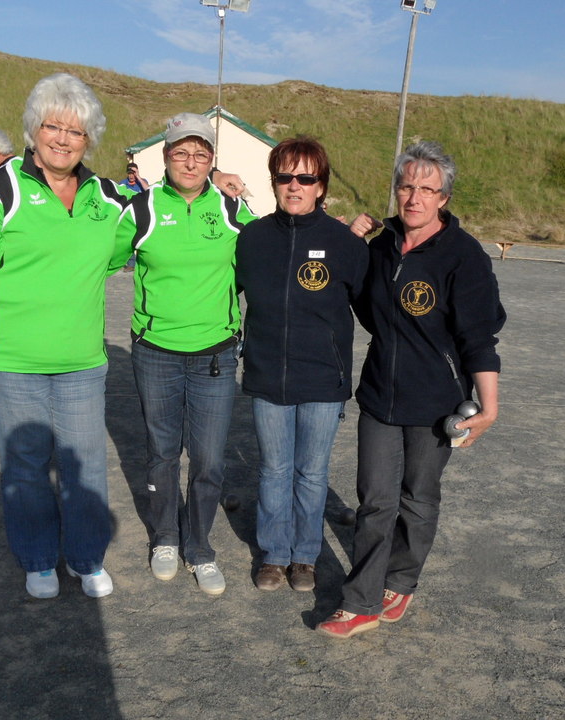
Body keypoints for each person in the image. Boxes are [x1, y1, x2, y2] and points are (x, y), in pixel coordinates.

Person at [0, 73, 135, 601]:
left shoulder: (107, 196)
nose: (63, 139)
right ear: (33, 130)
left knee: (85, 465)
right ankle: (39, 560)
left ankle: (87, 558)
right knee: (25, 467)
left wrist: (220, 183)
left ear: (89, 139)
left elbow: (125, 246)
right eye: (53, 126)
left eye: (76, 131)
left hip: (82, 362)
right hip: (9, 363)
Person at [316, 140, 505, 639]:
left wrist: (488, 408)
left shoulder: (464, 256)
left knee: (418, 497)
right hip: (381, 394)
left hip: (438, 401)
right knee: (376, 500)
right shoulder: (380, 247)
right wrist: (349, 244)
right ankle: (360, 602)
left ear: (444, 198)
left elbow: (479, 337)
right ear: (396, 191)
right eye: (406, 186)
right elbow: (356, 302)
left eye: (427, 189)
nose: (414, 197)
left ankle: (400, 580)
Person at [117, 112, 256, 595]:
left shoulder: (232, 209)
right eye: (181, 152)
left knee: (209, 458)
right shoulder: (141, 209)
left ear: (212, 159)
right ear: (165, 156)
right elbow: (97, 258)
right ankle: (165, 538)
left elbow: (271, 251)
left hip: (215, 354)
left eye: (201, 154)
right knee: (161, 452)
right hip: (156, 352)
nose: (191, 162)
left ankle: (199, 547)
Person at [235, 137, 368, 593]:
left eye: (306, 177)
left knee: (311, 473)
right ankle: (274, 555)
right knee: (274, 470)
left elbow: (373, 306)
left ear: (321, 186)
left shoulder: (344, 243)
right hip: (267, 374)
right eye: (285, 177)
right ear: (274, 182)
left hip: (323, 379)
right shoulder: (252, 239)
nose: (295, 186)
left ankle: (305, 557)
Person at [117, 163, 149, 271]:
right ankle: (131, 264)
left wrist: (138, 177)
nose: (131, 175)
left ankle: (144, 262)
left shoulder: (142, 182)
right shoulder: (123, 184)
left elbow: (148, 190)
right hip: (128, 214)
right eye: (129, 173)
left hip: (142, 214)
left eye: (133, 173)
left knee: (143, 239)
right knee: (129, 239)